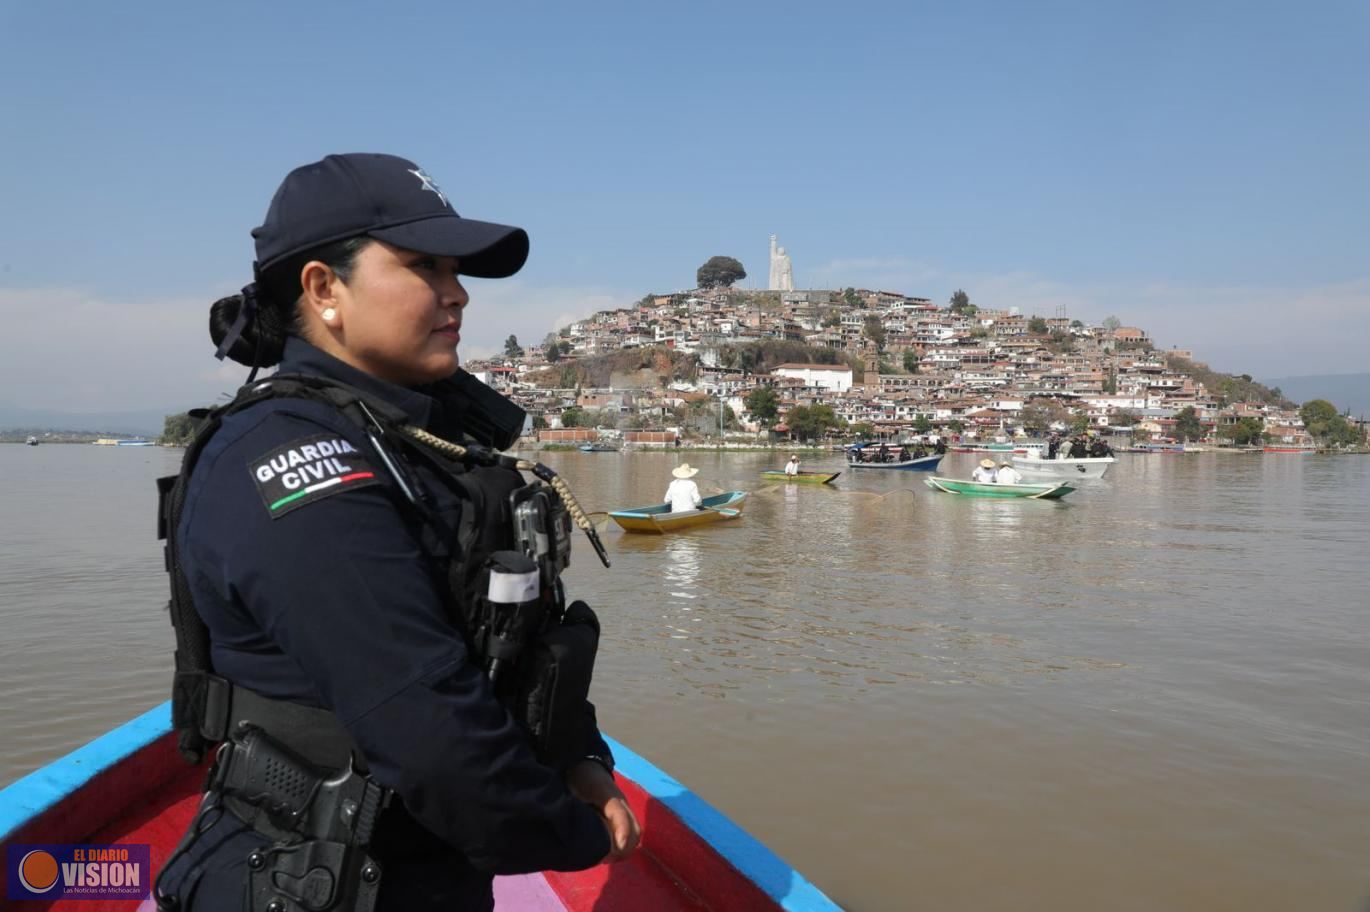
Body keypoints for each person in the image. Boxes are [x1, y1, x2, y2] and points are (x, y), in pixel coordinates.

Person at [154, 153, 639, 912]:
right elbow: (433, 731)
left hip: (418, 867)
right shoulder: (293, 459)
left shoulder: (414, 441)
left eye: (455, 270)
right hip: (310, 879)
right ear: (324, 289)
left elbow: (504, 633)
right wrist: (569, 836)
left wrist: (577, 751)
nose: (457, 295)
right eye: (423, 267)